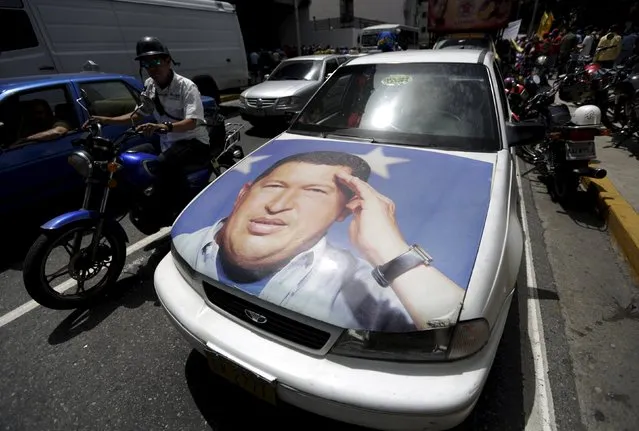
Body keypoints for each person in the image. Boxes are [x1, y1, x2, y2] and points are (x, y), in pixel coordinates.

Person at [173, 151, 465, 332]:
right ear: (242, 194)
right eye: (274, 186)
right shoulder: (185, 244)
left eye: (314, 191)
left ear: (343, 212)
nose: (278, 205)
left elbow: (454, 327)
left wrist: (389, 247)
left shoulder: (367, 290)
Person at [85, 36, 210, 199]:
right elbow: (138, 114)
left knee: (162, 165)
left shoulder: (186, 87)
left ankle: (179, 204)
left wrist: (163, 127)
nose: (152, 68)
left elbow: (191, 123)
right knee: (127, 160)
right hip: (167, 142)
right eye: (146, 64)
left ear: (167, 61)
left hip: (193, 141)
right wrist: (105, 120)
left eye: (156, 62)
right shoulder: (150, 85)